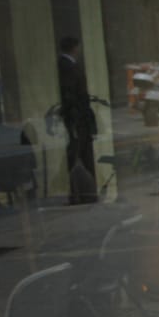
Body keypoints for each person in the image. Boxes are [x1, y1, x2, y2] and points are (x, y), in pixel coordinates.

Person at [57, 37, 98, 204]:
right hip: (77, 119)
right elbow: (72, 95)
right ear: (75, 48)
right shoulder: (67, 67)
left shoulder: (68, 65)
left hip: (78, 118)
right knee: (79, 155)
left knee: (79, 155)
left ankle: (83, 192)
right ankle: (83, 194)